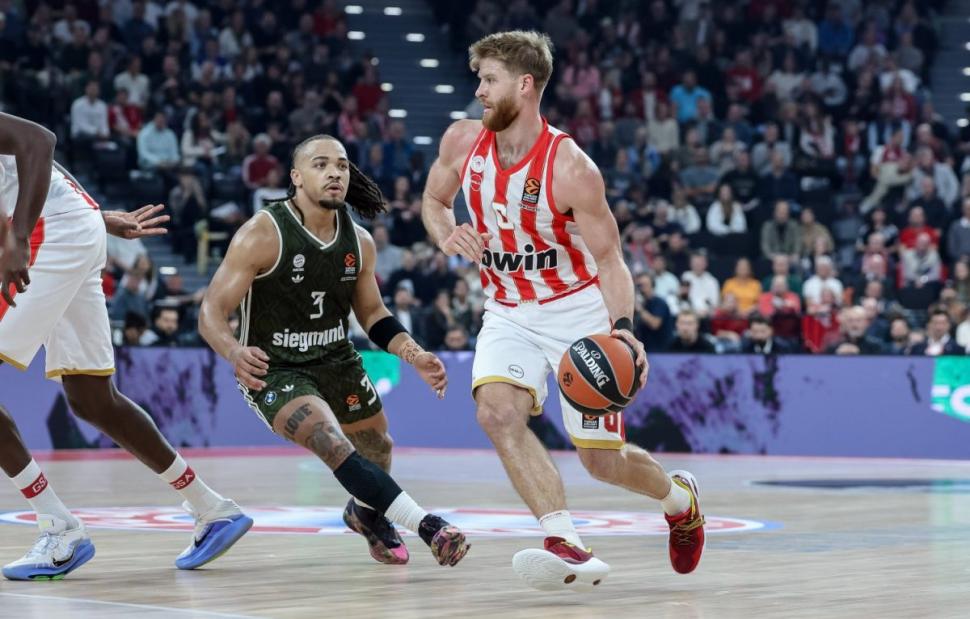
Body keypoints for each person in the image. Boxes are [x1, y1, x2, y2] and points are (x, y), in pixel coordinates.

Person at [420, 31, 705, 591]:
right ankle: (563, 539)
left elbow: (611, 259)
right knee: (496, 413)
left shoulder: (572, 167)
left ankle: (680, 501)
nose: (479, 91)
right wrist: (447, 232)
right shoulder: (461, 141)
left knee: (601, 461)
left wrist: (624, 331)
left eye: (490, 80)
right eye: (479, 79)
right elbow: (433, 201)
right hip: (506, 308)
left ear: (525, 85)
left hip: (576, 312)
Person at [198, 134, 470, 568]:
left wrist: (414, 354)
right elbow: (211, 310)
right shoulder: (262, 233)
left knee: (377, 445)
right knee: (330, 441)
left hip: (336, 359)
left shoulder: (359, 241)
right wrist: (233, 352)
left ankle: (365, 514)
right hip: (276, 367)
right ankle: (427, 525)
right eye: (321, 164)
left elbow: (373, 314)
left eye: (342, 166)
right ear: (296, 177)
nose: (334, 174)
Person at [0, 112, 251, 580]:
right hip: (68, 228)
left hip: (47, 233)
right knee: (91, 397)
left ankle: (59, 527)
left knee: (93, 397)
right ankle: (211, 507)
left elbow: (38, 140)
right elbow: (22, 159)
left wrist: (20, 237)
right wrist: (92, 215)